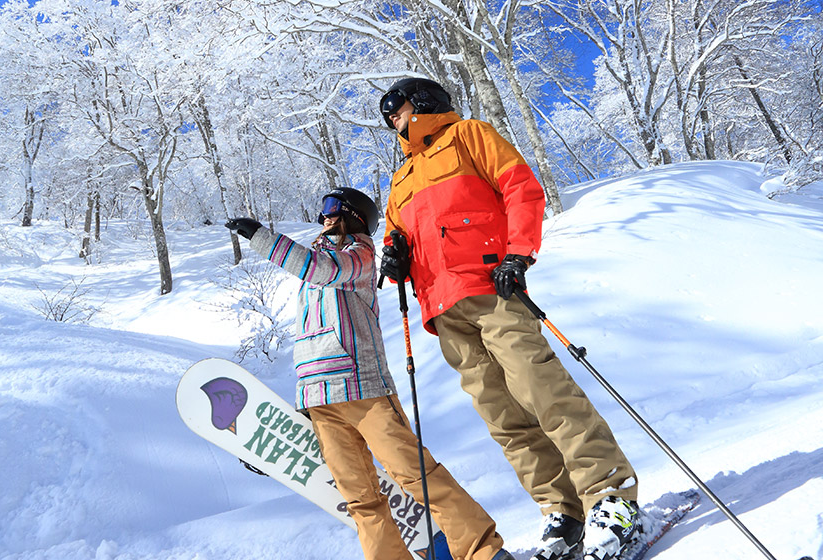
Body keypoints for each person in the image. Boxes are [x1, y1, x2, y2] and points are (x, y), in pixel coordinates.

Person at [377, 77, 641, 560]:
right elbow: (398, 235)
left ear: (426, 102)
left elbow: (520, 188)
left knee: (543, 391)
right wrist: (393, 254)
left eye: (397, 104)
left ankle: (610, 496)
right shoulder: (400, 181)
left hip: (491, 288)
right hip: (443, 310)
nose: (390, 115)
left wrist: (518, 254)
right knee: (503, 418)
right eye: (386, 110)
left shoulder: (471, 135)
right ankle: (562, 510)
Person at [225, 187, 514, 560]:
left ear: (354, 216)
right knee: (359, 499)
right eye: (323, 209)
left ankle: (481, 550)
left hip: (365, 388)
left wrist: (262, 238)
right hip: (321, 398)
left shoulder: (358, 257)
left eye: (332, 208)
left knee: (416, 476)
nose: (324, 216)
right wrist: (307, 403)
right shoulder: (315, 265)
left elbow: (324, 270)